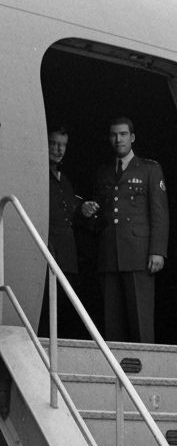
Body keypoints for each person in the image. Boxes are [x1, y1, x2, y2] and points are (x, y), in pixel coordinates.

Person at [92, 117, 168, 343]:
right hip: (109, 254)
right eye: (114, 135)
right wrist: (87, 211)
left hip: (138, 254)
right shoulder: (103, 172)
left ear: (132, 137)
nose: (118, 139)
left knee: (140, 322)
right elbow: (101, 215)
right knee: (112, 323)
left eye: (123, 134)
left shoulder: (149, 169)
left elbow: (160, 213)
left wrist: (157, 251)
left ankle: (144, 375)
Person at [38, 126, 99, 339]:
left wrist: (83, 211)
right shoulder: (37, 173)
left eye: (62, 145)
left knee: (62, 314)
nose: (58, 149)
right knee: (44, 313)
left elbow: (71, 214)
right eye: (54, 143)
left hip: (67, 257)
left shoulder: (65, 181)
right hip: (46, 255)